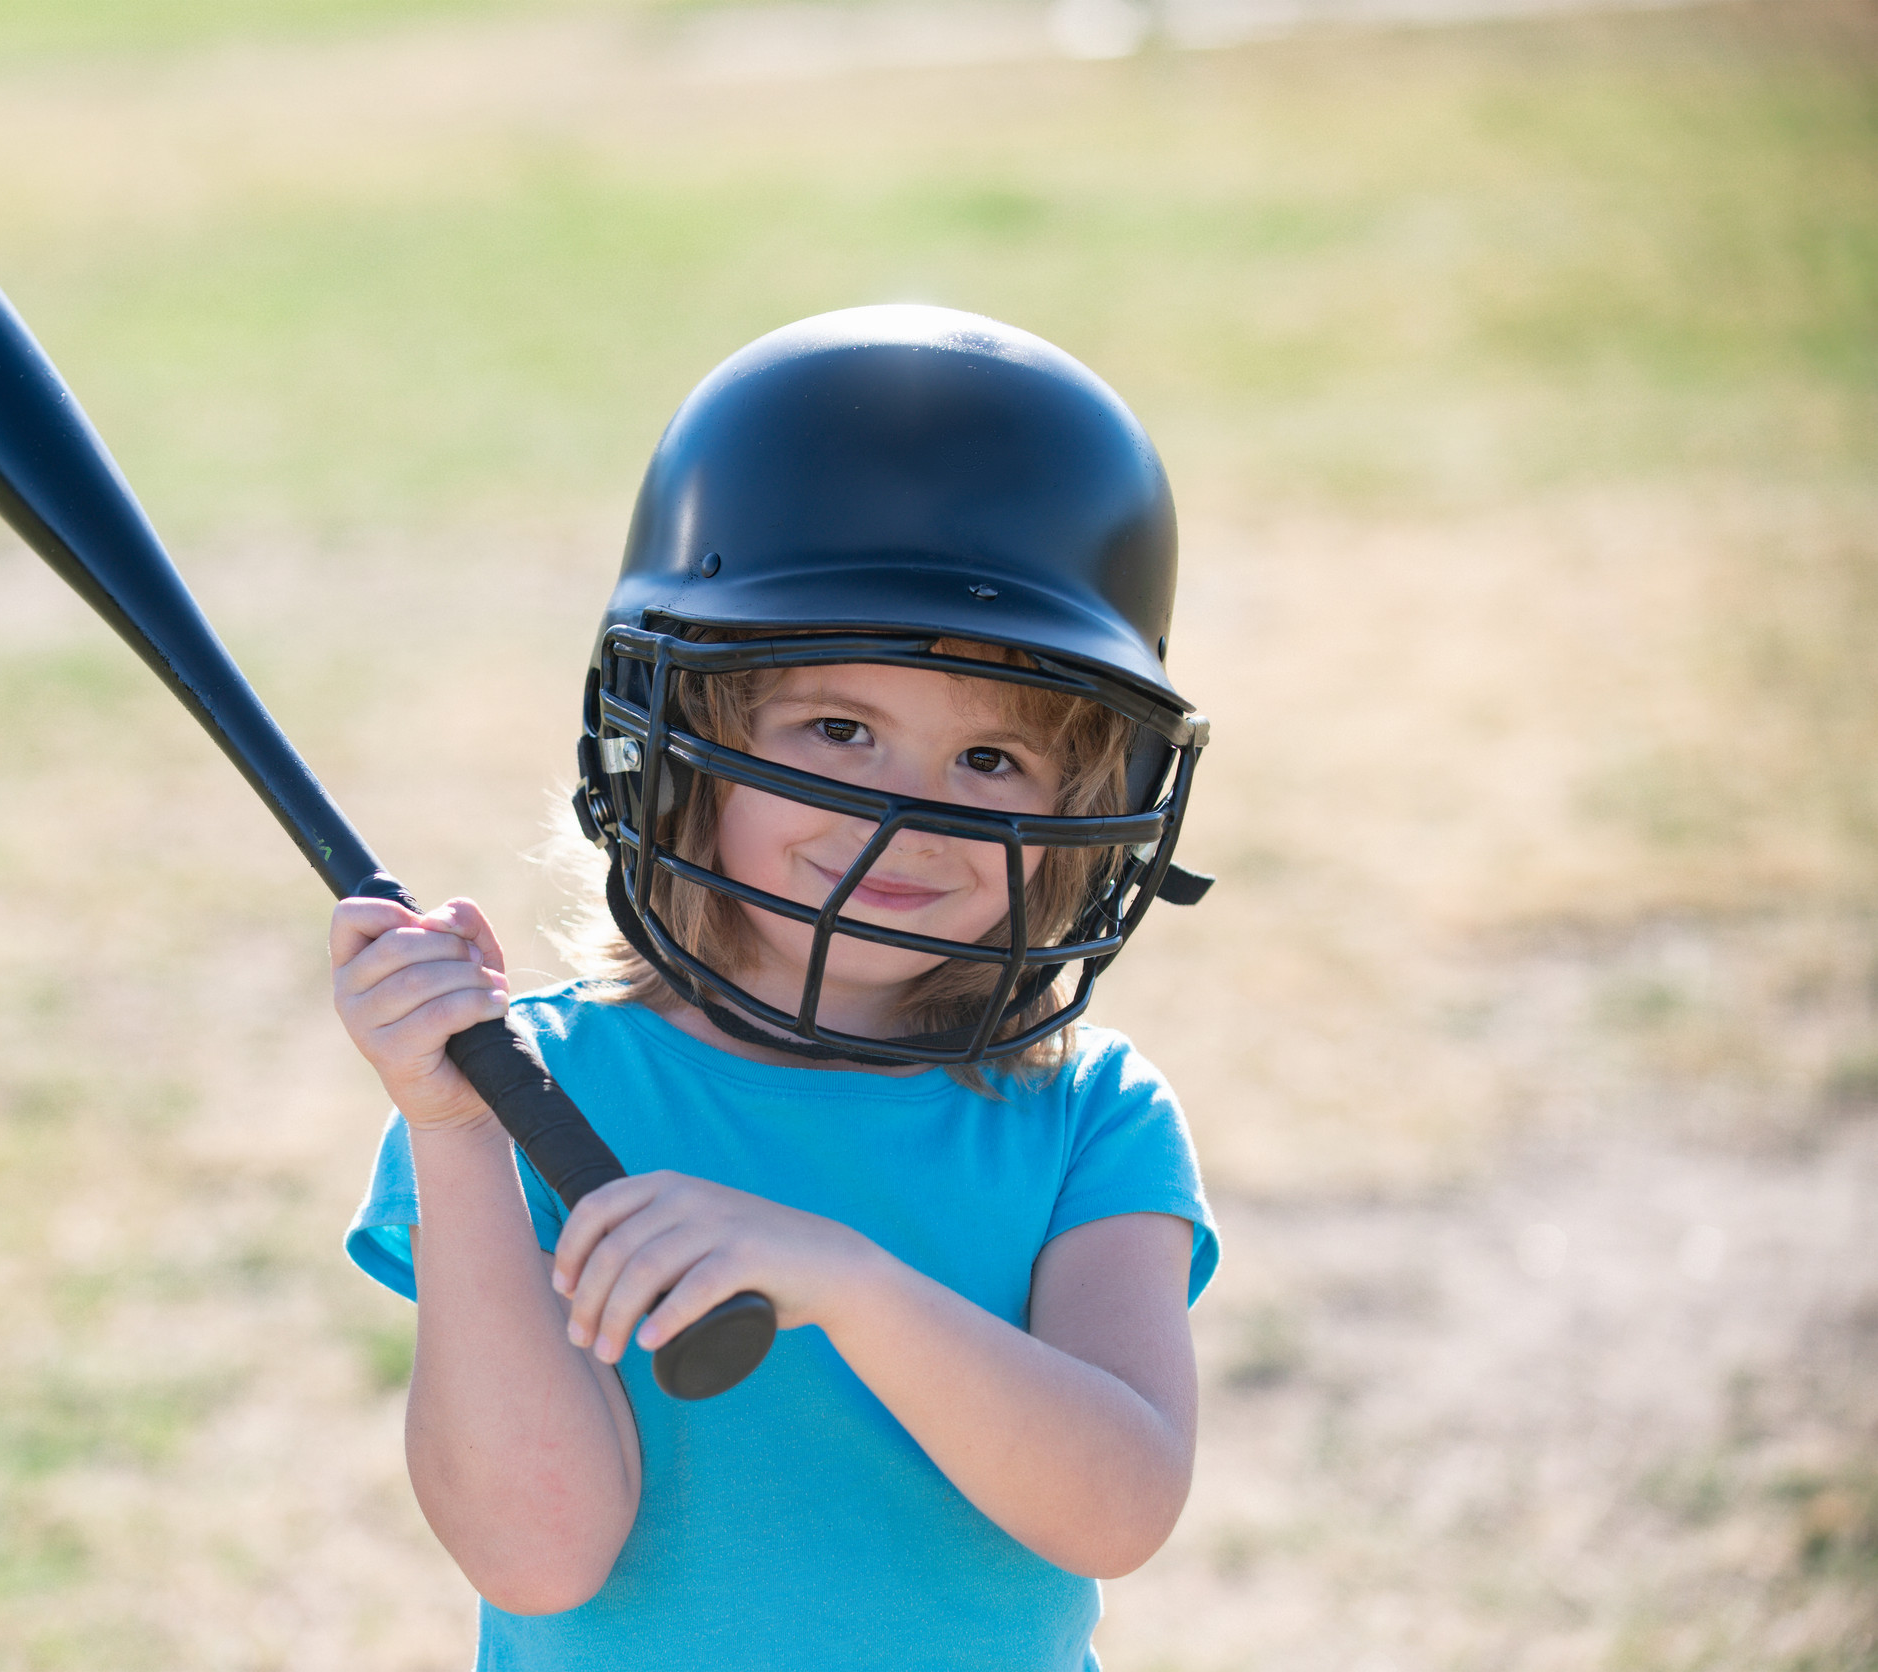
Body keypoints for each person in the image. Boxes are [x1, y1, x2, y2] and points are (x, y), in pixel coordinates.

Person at [331, 305, 1219, 1670]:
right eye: (838, 730)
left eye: (992, 762)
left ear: (1085, 809)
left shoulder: (1088, 1115)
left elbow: (1116, 1508)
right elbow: (536, 1553)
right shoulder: (529, 1094)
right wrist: (455, 1131)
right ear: (679, 749)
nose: (905, 814)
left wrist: (851, 1283)